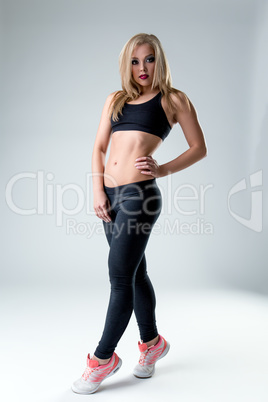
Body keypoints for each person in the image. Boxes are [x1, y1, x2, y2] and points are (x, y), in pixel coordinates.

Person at [72, 32, 207, 395]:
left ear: (158, 60)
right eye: (134, 61)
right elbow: (99, 147)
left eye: (148, 59)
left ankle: (102, 359)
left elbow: (199, 148)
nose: (142, 68)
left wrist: (162, 169)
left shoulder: (174, 100)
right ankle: (152, 344)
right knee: (135, 273)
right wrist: (98, 189)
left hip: (140, 196)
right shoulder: (115, 100)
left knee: (119, 277)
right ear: (126, 65)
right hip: (110, 197)